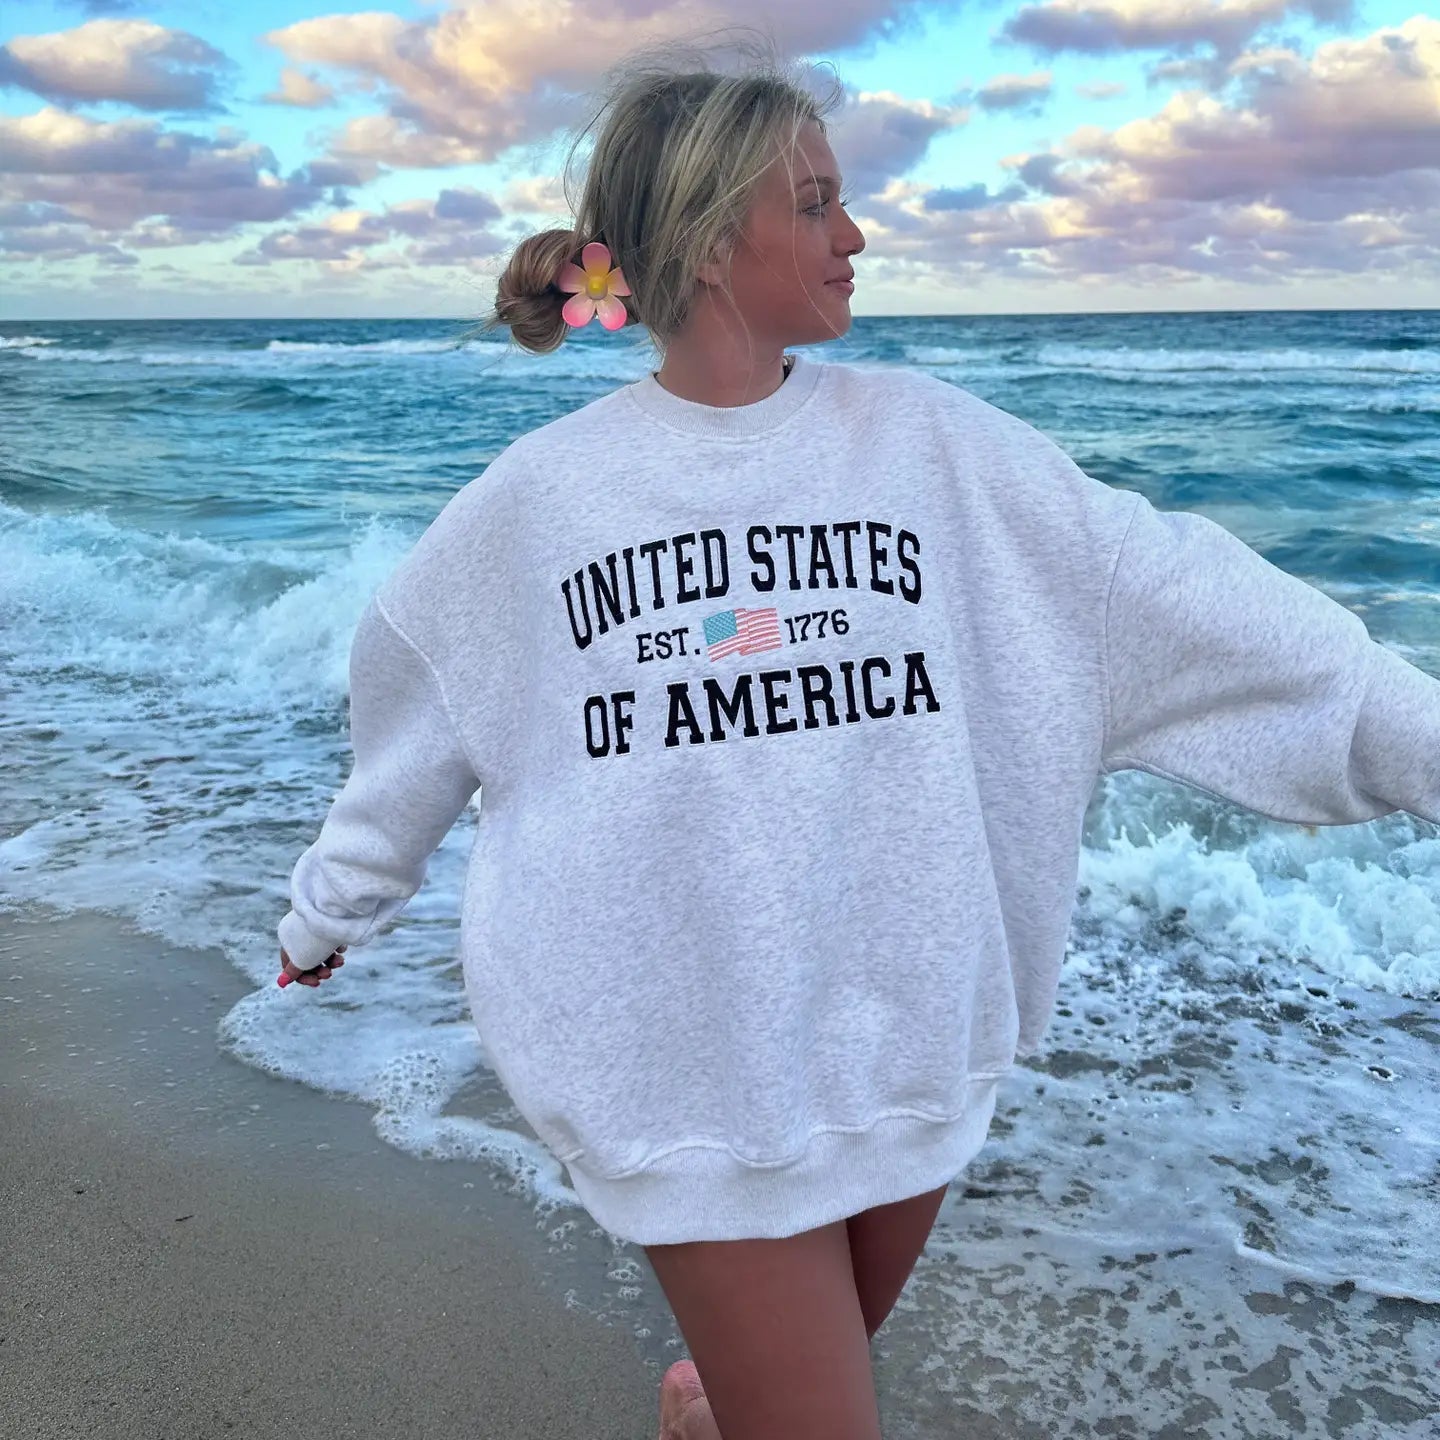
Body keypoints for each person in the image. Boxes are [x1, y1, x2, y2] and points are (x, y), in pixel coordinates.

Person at [274, 30, 1440, 1440]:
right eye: (818, 202)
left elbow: (1187, 599)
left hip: (905, 1038)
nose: (856, 233)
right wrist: (329, 911)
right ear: (711, 242)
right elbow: (416, 708)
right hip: (683, 1066)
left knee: (772, 1395)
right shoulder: (540, 505)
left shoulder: (936, 450)